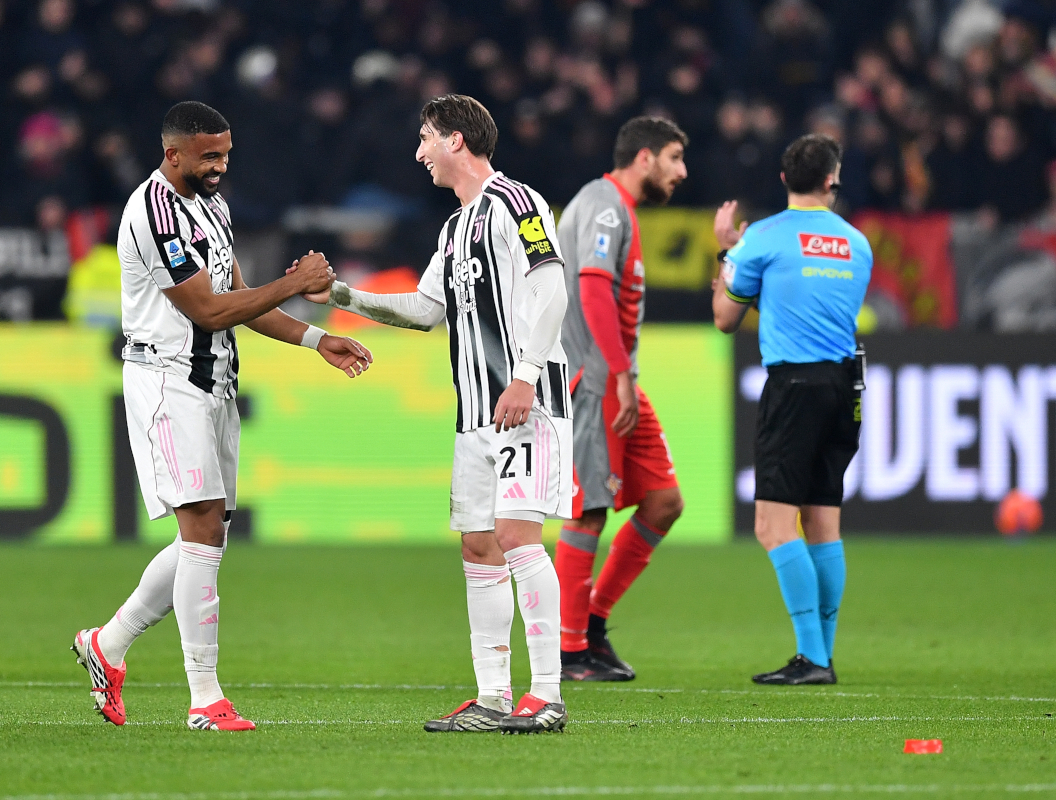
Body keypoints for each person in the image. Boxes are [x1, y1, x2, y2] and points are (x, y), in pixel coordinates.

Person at [71, 101, 373, 730]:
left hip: (216, 382)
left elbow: (238, 302)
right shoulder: (151, 213)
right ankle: (205, 700)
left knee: (206, 534)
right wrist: (293, 283)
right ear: (171, 153)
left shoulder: (215, 207)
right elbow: (207, 311)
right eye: (208, 156)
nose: (219, 167)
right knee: (203, 525)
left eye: (225, 155)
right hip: (166, 380)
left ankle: (108, 644)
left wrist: (317, 340)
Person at [302, 94, 573, 733]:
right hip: (474, 413)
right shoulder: (454, 231)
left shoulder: (519, 202)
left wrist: (525, 376)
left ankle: (548, 695)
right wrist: (341, 295)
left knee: (516, 538)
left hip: (523, 402)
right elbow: (424, 311)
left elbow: (551, 286)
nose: (419, 152)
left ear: (456, 139)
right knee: (479, 547)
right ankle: (493, 697)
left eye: (426, 137)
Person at [711, 133, 872, 685]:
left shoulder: (763, 237)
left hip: (794, 386)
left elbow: (725, 318)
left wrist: (726, 254)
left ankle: (813, 658)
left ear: (783, 180)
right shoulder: (857, 243)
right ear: (832, 179)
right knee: (823, 521)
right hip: (845, 386)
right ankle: (822, 656)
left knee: (773, 527)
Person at [553, 116, 689, 682]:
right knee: (588, 509)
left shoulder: (614, 207)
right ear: (645, 158)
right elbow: (591, 286)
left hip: (614, 375)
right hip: (595, 377)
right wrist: (618, 373)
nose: (682, 172)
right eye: (675, 158)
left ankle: (594, 626)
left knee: (663, 501)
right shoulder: (606, 205)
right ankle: (568, 651)